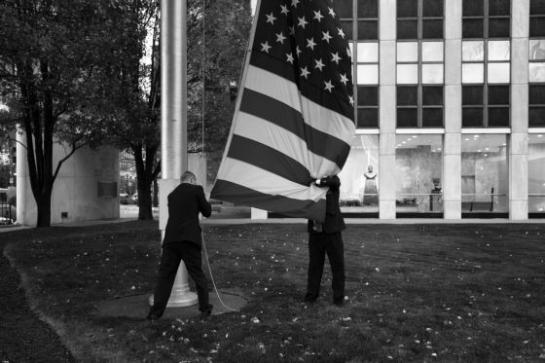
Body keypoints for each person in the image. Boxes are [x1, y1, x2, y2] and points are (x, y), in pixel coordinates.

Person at [147, 171, 213, 321]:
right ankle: (204, 309)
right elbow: (207, 211)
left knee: (165, 277)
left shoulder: (172, 195)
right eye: (194, 180)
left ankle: (155, 313)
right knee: (197, 275)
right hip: (189, 239)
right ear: (191, 179)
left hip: (171, 240)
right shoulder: (197, 190)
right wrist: (205, 200)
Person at [305, 175, 346, 306]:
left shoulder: (332, 179)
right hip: (315, 231)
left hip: (332, 231)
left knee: (337, 265)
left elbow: (335, 182)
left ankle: (338, 298)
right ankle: (311, 296)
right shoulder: (310, 182)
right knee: (315, 266)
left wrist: (317, 181)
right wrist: (312, 180)